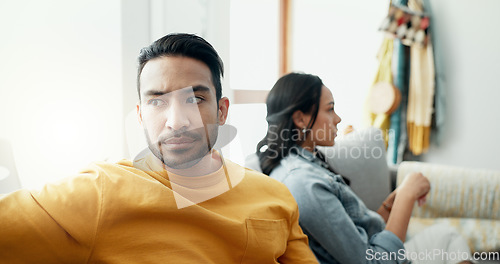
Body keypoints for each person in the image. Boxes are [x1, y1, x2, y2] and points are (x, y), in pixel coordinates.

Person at [0, 34, 319, 263]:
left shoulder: (275, 196)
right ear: (140, 115)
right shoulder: (101, 192)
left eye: (195, 99)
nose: (177, 121)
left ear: (222, 111)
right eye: (157, 101)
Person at [257, 72, 472, 264]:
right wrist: (407, 195)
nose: (338, 118)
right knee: (449, 238)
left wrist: (391, 204)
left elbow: (358, 231)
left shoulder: (308, 164)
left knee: (447, 236)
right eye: (330, 109)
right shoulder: (304, 184)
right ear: (300, 119)